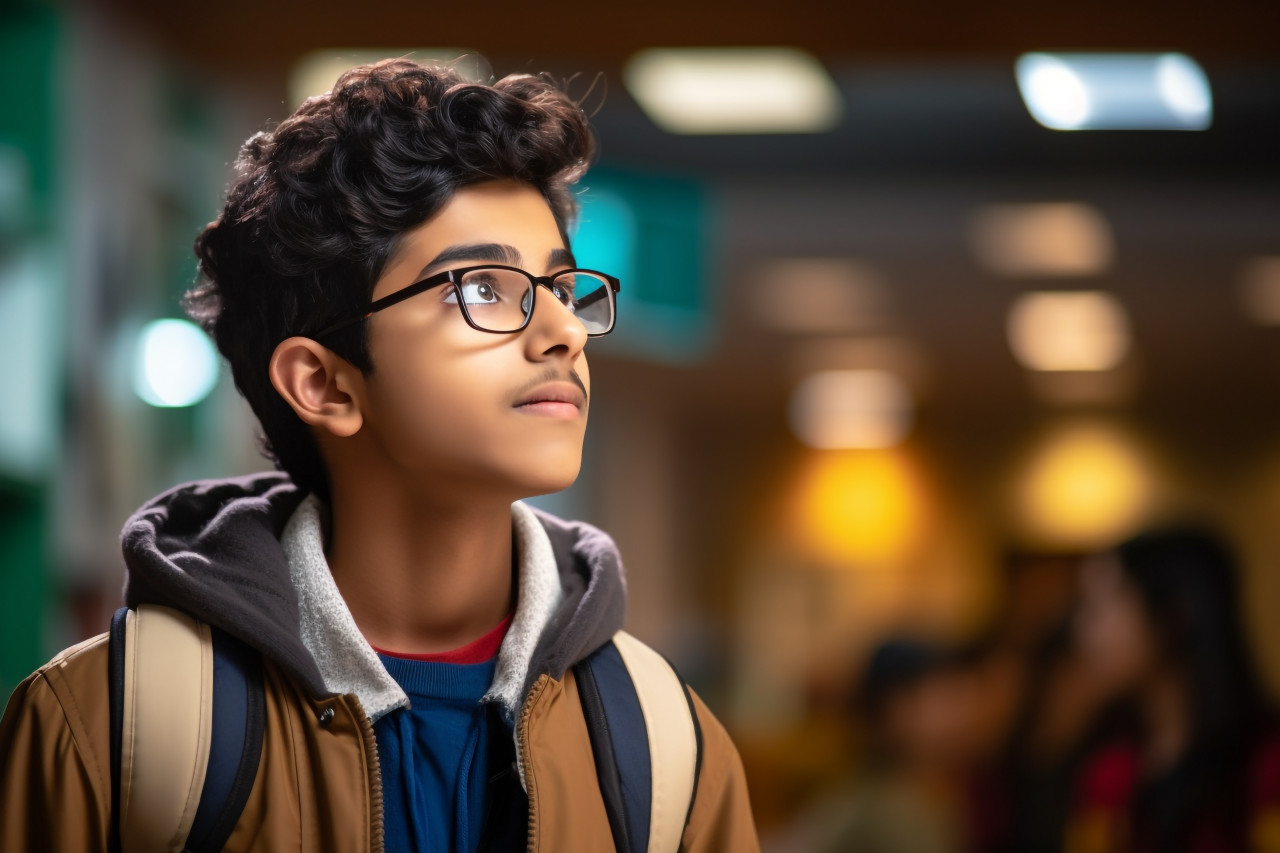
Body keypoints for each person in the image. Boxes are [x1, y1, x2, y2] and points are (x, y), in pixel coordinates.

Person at [0, 58, 759, 852]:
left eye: (564, 288)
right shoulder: (107, 731)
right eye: (483, 288)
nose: (565, 330)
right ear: (324, 383)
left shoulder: (667, 750)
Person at [1054, 525, 1280, 853]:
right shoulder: (1108, 775)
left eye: (1100, 607)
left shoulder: (1266, 769)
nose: (1084, 631)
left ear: (1172, 615)